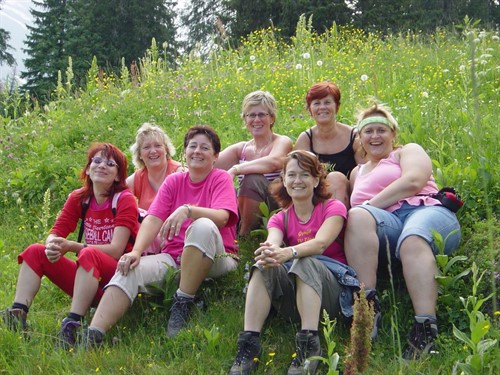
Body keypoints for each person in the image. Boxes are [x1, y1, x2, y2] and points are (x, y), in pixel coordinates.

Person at [82, 125, 239, 347]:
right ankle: (92, 335)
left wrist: (188, 210)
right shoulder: (173, 181)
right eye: (192, 146)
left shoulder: (220, 178)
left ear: (215, 156)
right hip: (173, 258)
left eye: (205, 148)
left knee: (202, 225)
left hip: (216, 259)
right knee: (129, 268)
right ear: (185, 152)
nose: (197, 151)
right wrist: (136, 252)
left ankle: (182, 302)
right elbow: (153, 219)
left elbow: (223, 217)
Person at [344, 103, 461, 360]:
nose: (375, 136)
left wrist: (370, 204)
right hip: (389, 224)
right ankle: (368, 305)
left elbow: (414, 181)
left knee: (413, 238)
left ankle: (425, 326)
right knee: (356, 216)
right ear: (360, 138)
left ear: (393, 134)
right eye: (368, 131)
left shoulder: (407, 152)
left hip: (425, 211)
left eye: (381, 130)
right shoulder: (356, 173)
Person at [229, 150, 358, 375]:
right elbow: (273, 242)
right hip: (299, 294)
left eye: (305, 175)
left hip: (332, 294)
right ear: (284, 181)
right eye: (291, 175)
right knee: (264, 264)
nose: (297, 181)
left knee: (305, 260)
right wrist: (269, 252)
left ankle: (309, 344)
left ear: (317, 180)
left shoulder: (332, 208)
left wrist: (289, 252)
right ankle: (249, 344)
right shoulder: (280, 217)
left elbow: (320, 244)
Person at [1, 143, 139, 349]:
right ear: (88, 168)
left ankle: (72, 325)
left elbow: (117, 249)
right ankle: (18, 315)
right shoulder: (79, 198)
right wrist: (52, 246)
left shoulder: (125, 200)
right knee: (35, 252)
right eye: (97, 160)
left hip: (117, 281)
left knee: (88, 253)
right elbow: (56, 233)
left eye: (110, 164)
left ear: (119, 176)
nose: (102, 166)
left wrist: (73, 246)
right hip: (88, 279)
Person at [215, 90, 293, 236]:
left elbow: (274, 161)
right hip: (244, 208)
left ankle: (243, 236)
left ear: (272, 118)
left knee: (252, 179)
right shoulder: (241, 149)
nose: (256, 120)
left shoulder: (282, 141)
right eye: (251, 115)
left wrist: (236, 169)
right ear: (245, 120)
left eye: (262, 114)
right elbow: (209, 165)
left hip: (275, 206)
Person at [294, 81, 364, 208]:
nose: (322, 107)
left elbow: (365, 173)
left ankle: (339, 222)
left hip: (350, 195)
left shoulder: (354, 137)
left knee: (335, 178)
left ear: (337, 107)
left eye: (327, 102)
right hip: (316, 197)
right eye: (316, 103)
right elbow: (298, 175)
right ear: (310, 109)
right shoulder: (305, 139)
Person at [127, 122, 184, 254]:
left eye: (158, 146)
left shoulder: (180, 172)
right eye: (146, 147)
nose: (153, 151)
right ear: (140, 154)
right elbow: (115, 194)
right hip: (149, 240)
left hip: (177, 238)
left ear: (166, 150)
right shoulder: (137, 178)